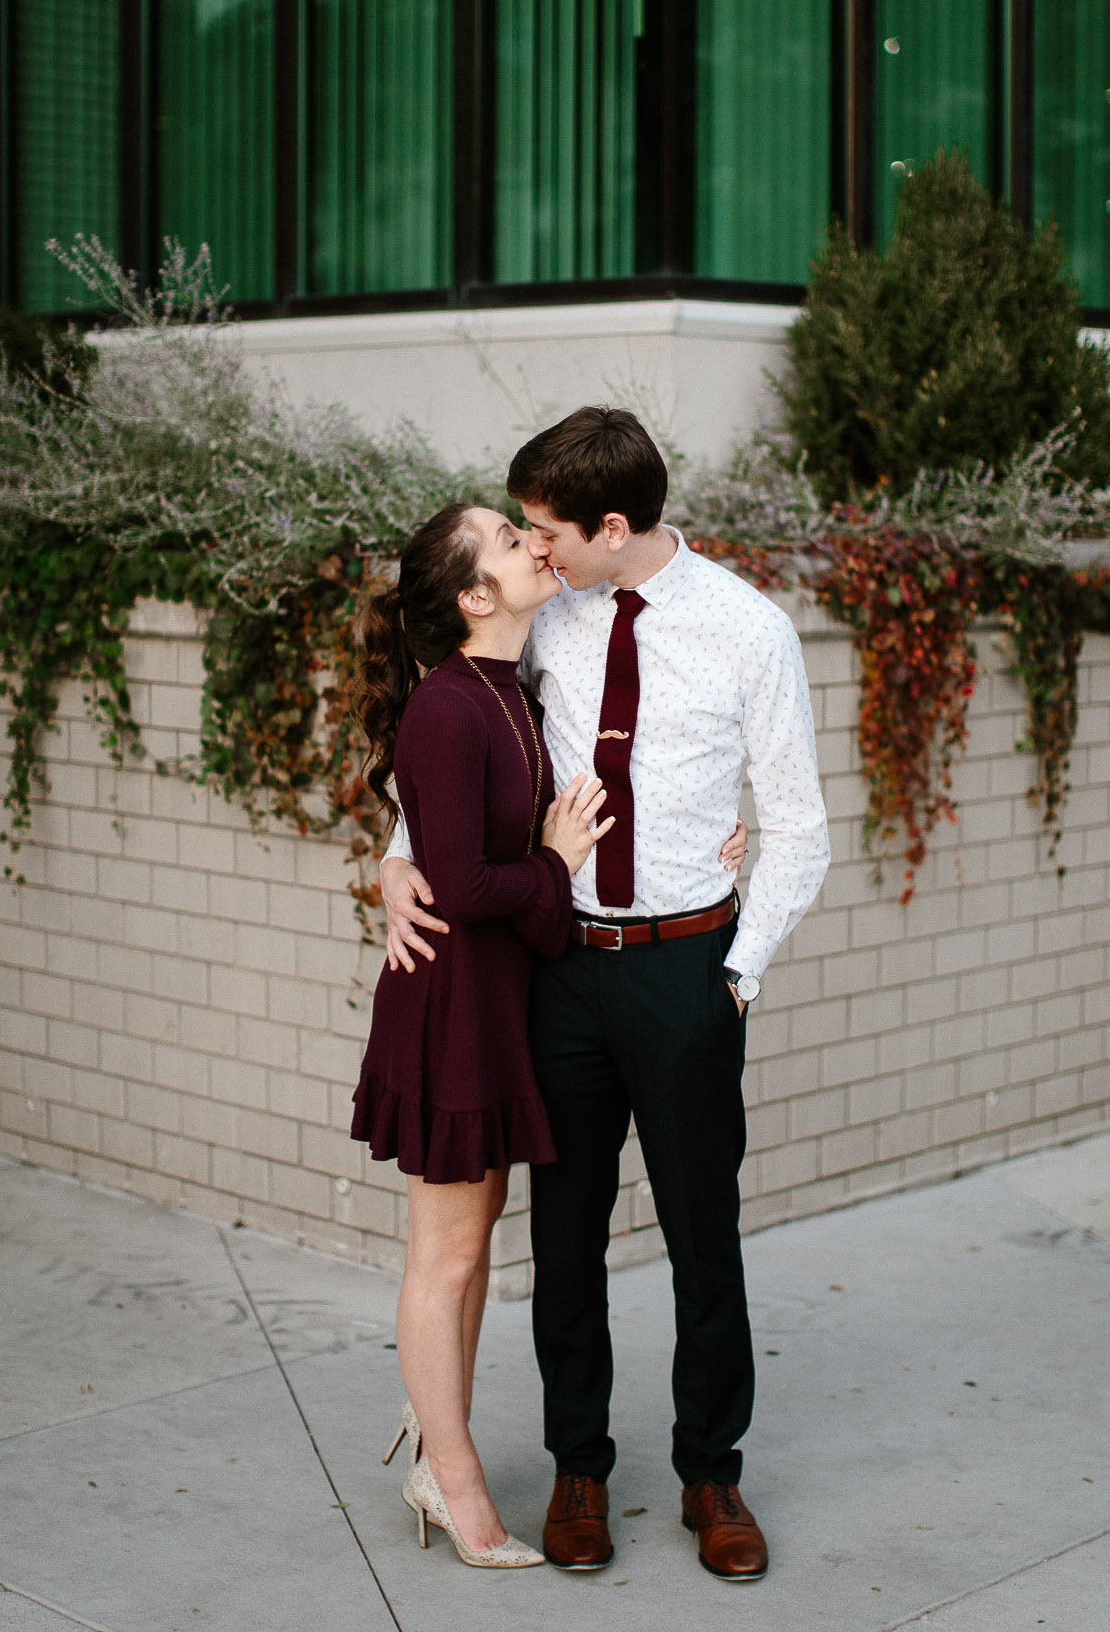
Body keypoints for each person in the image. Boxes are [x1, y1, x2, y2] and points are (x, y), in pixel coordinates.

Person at [381, 407, 831, 1583]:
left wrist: (736, 975)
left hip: (688, 967)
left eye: (545, 530)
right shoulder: (545, 618)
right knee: (566, 1237)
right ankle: (578, 1464)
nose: (536, 549)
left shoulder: (747, 629)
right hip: (560, 968)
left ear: (611, 526)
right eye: (521, 532)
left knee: (702, 1236)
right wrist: (394, 855)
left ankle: (709, 1471)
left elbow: (798, 827)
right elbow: (452, 731)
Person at [351, 500, 611, 1569]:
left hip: (495, 998)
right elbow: (459, 883)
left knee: (476, 1235)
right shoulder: (450, 709)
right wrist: (554, 868)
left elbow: (466, 867)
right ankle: (452, 1478)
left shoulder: (509, 683)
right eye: (508, 540)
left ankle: (435, 1441)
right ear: (472, 596)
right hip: (452, 1004)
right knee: (447, 1250)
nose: (529, 545)